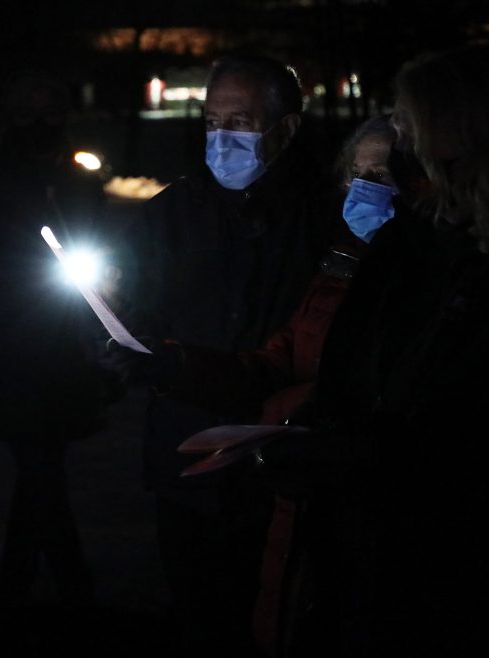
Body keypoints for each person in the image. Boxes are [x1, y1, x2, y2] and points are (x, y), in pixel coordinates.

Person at [253, 43, 489, 656]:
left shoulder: (457, 265)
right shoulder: (399, 257)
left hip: (443, 562)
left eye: (412, 127)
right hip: (376, 546)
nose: (402, 144)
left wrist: (348, 451)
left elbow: (449, 423)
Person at [127, 52, 338, 657]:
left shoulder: (324, 218)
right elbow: (135, 312)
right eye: (213, 123)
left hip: (282, 465)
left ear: (286, 128)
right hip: (187, 458)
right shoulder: (170, 214)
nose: (222, 139)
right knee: (200, 622)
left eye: (240, 123)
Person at [0, 68, 110, 610]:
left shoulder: (75, 176)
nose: (39, 123)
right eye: (27, 111)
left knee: (42, 466)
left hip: (63, 342)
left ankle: (21, 585)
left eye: (49, 111)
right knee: (40, 464)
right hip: (16, 342)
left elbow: (96, 239)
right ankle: (64, 586)